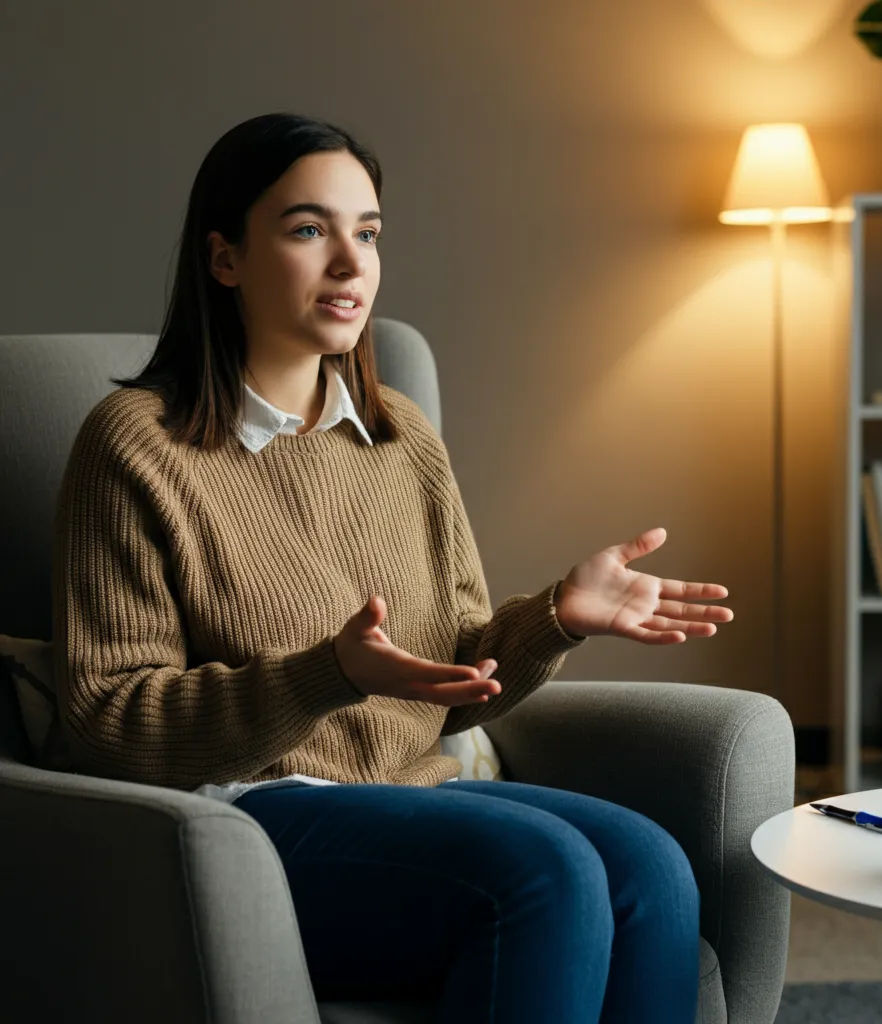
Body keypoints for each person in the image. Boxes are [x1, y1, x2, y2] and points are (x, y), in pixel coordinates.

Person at [52, 112, 735, 1023]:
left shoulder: (399, 435)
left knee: (651, 865)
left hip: (412, 801)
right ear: (224, 259)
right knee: (550, 873)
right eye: (308, 230)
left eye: (366, 233)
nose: (350, 263)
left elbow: (454, 677)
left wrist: (558, 618)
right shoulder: (137, 445)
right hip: (246, 821)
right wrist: (324, 677)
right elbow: (108, 720)